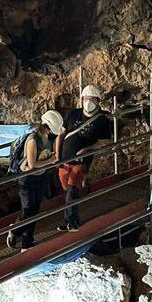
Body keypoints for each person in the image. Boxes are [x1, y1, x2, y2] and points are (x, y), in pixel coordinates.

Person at [56, 85, 113, 231]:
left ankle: (73, 222)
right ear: (81, 99)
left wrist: (86, 150)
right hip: (64, 159)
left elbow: (104, 142)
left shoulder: (102, 120)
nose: (89, 102)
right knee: (67, 190)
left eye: (92, 99)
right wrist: (57, 156)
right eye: (86, 99)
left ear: (98, 101)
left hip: (82, 161)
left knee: (72, 189)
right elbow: (61, 135)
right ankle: (67, 220)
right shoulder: (73, 114)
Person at [8, 110, 64, 250]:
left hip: (41, 176)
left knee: (35, 209)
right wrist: (51, 160)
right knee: (28, 209)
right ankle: (15, 231)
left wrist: (51, 160)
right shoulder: (33, 139)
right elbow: (32, 164)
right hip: (27, 178)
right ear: (47, 127)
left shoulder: (49, 139)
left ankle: (27, 242)